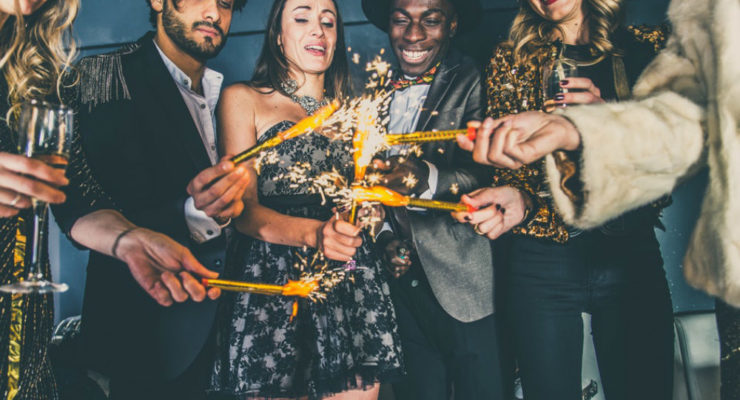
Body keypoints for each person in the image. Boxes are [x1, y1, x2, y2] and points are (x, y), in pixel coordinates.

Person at [458, 0, 740, 397]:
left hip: (629, 253)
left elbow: (670, 166)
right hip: (542, 261)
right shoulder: (511, 58)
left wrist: (607, 121)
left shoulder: (648, 48)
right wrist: (518, 198)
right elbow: (516, 178)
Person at [0, 0, 232, 398]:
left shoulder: (33, 70)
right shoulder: (105, 74)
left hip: (20, 319)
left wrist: (129, 239)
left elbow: (78, 198)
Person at [208, 0, 403, 398]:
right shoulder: (243, 98)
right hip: (273, 281)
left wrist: (370, 212)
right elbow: (243, 211)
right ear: (278, 37)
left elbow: (367, 201)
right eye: (302, 18)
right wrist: (316, 234)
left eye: (328, 22)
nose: (318, 29)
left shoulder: (356, 114)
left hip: (348, 281)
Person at [58, 0, 251, 398]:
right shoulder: (104, 78)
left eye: (226, 3)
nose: (214, 14)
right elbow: (88, 202)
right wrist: (195, 213)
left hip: (235, 339)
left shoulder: (234, 95)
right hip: (144, 342)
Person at [360, 0, 509, 399]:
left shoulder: (475, 78)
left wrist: (424, 178)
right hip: (400, 291)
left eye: (431, 20)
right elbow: (363, 182)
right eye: (401, 20)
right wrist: (384, 237)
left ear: (453, 24)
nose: (413, 35)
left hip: (466, 284)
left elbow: (493, 174)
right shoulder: (372, 89)